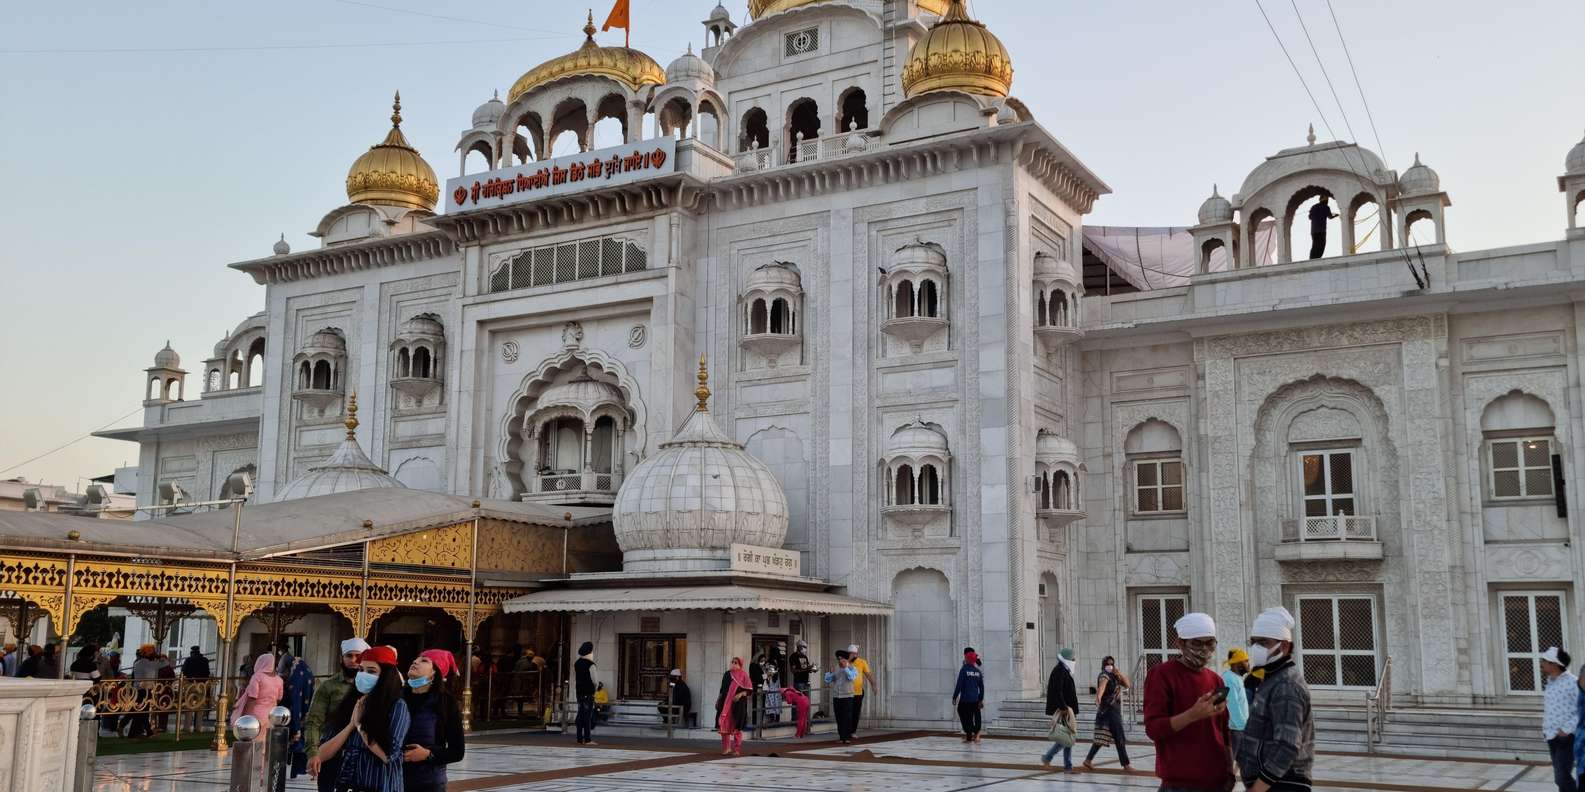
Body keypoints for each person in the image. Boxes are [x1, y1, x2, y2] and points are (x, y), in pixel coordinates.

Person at [1144, 612, 1232, 792]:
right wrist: (1192, 715)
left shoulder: (1215, 680)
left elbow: (1224, 731)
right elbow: (1154, 728)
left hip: (1216, 782)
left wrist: (1229, 770)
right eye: (1197, 643)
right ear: (1180, 643)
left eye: (1210, 643)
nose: (1204, 650)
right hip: (1180, 784)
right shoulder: (1162, 675)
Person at [310, 646, 409, 792]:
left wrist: (360, 727)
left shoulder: (397, 706)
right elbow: (322, 754)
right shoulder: (353, 703)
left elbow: (388, 755)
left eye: (371, 671)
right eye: (361, 670)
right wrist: (351, 725)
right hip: (348, 785)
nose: (363, 675)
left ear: (386, 675)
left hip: (380, 784)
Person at [1237, 607, 1314, 792]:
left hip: (1283, 784)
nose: (1256, 648)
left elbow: (1287, 745)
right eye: (1254, 642)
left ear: (1285, 646)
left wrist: (1257, 789)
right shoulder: (1269, 679)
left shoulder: (1287, 685)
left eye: (1264, 642)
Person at [306, 637, 370, 792]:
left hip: (363, 754)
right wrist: (313, 753)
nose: (353, 660)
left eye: (358, 656)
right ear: (342, 658)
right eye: (349, 656)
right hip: (333, 751)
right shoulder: (328, 686)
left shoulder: (371, 685)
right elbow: (314, 721)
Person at [402, 649, 466, 792]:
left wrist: (428, 754)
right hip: (395, 780)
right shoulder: (398, 698)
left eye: (424, 661)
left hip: (429, 782)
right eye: (416, 659)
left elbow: (457, 752)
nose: (415, 662)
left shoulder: (445, 702)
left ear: (434, 673)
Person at [1082, 654, 1131, 771]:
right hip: (1108, 711)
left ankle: (1088, 760)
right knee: (1119, 737)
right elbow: (1102, 686)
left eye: (1111, 664)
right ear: (1103, 665)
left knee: (1101, 738)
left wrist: (1118, 673)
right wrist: (1098, 696)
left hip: (1113, 711)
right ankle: (1126, 765)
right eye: (1107, 664)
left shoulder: (1115, 675)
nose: (1109, 666)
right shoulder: (1104, 675)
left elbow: (1127, 684)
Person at [1539, 647, 1577, 792]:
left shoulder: (1573, 682)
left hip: (1567, 736)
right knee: (1560, 777)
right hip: (1551, 735)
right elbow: (1551, 709)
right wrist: (1546, 728)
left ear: (1554, 664)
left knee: (1562, 776)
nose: (1542, 664)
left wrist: (1566, 729)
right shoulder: (1550, 682)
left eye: (1544, 661)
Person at [1042, 648, 1080, 770]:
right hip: (1065, 709)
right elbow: (1057, 691)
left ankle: (1052, 759)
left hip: (1068, 709)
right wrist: (1063, 707)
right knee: (1067, 736)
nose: (1074, 660)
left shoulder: (1063, 670)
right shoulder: (1060, 671)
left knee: (1066, 736)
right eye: (1073, 658)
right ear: (1068, 659)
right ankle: (1065, 765)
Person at [231, 652, 285, 729]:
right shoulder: (279, 680)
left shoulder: (257, 676)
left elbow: (252, 697)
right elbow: (279, 698)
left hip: (256, 714)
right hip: (271, 715)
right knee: (266, 739)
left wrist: (247, 716)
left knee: (254, 739)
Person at [285, 653, 317, 778]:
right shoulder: (305, 671)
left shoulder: (297, 676)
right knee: (302, 741)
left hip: (296, 712)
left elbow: (295, 695)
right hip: (306, 711)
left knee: (297, 740)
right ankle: (299, 770)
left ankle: (296, 770)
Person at [717, 656, 752, 756]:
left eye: (736, 662)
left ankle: (737, 749)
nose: (733, 664)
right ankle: (726, 748)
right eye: (732, 662)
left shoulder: (744, 675)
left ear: (740, 664)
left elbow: (749, 691)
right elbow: (722, 689)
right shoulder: (727, 674)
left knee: (737, 726)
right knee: (724, 725)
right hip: (726, 703)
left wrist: (740, 694)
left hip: (738, 704)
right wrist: (718, 700)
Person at [951, 648, 986, 743]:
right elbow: (982, 687)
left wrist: (954, 697)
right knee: (973, 716)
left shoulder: (964, 670)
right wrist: (980, 699)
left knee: (963, 714)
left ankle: (972, 731)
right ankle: (972, 736)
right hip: (975, 699)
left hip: (965, 700)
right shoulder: (977, 671)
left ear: (966, 658)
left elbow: (959, 684)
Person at [824, 650, 859, 744]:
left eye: (842, 659)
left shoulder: (852, 668)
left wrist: (846, 668)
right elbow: (828, 680)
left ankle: (847, 737)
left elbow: (852, 677)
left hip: (847, 696)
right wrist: (830, 672)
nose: (840, 661)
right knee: (839, 717)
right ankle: (841, 737)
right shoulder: (836, 667)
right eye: (838, 659)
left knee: (846, 717)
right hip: (837, 696)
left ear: (846, 659)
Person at [1223, 648, 1252, 754]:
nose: (1249, 664)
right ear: (1236, 664)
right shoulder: (1229, 679)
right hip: (1235, 729)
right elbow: (1232, 705)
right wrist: (1242, 727)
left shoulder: (1236, 678)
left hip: (1239, 728)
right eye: (1246, 661)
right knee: (1230, 762)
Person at [573, 641, 597, 745]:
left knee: (580, 714)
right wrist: (594, 690)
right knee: (587, 715)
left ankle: (579, 738)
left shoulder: (577, 663)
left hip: (579, 692)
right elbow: (595, 681)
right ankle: (587, 739)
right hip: (588, 692)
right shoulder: (591, 664)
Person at [846, 644, 874, 736]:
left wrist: (874, 685)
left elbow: (868, 674)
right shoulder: (844, 662)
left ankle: (852, 731)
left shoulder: (862, 662)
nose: (854, 655)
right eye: (852, 654)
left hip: (858, 692)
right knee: (847, 712)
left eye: (855, 654)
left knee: (855, 712)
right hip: (846, 692)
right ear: (848, 653)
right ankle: (846, 731)